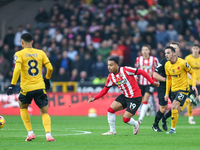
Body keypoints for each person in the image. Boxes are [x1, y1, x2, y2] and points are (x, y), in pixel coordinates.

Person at [88, 57, 159, 135]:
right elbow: (105, 89)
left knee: (125, 119)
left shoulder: (125, 70)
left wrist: (152, 82)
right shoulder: (111, 77)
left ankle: (136, 123)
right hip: (125, 96)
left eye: (111, 65)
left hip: (135, 97)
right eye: (108, 65)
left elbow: (141, 72)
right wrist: (94, 98)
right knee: (110, 110)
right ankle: (112, 131)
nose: (109, 67)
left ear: (117, 65)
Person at [7, 33, 55, 141]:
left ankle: (30, 133)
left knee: (23, 107)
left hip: (26, 88)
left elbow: (17, 69)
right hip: (40, 87)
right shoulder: (41, 52)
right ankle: (48, 135)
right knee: (44, 112)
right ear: (32, 42)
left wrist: (12, 84)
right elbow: (50, 68)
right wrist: (47, 79)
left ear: (22, 43)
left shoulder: (19, 54)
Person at [164, 46, 198, 134]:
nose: (166, 55)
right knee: (177, 110)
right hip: (173, 89)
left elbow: (192, 73)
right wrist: (167, 93)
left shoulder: (183, 62)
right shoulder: (167, 65)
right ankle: (189, 100)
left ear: (174, 53)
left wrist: (193, 85)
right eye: (165, 53)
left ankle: (172, 129)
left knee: (174, 105)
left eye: (168, 53)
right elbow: (169, 80)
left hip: (183, 89)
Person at [134, 45, 159, 124]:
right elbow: (135, 69)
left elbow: (159, 69)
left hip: (150, 82)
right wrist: (135, 76)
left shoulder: (154, 59)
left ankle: (140, 119)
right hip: (141, 82)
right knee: (142, 101)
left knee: (145, 99)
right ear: (141, 51)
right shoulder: (138, 59)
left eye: (146, 50)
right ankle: (147, 107)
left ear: (149, 51)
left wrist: (154, 73)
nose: (144, 51)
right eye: (143, 50)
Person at [185, 44, 200, 124]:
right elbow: (187, 71)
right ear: (191, 49)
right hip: (191, 83)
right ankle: (190, 117)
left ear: (199, 49)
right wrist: (193, 80)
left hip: (199, 82)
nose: (195, 50)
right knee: (190, 100)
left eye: (196, 48)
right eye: (194, 48)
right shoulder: (188, 58)